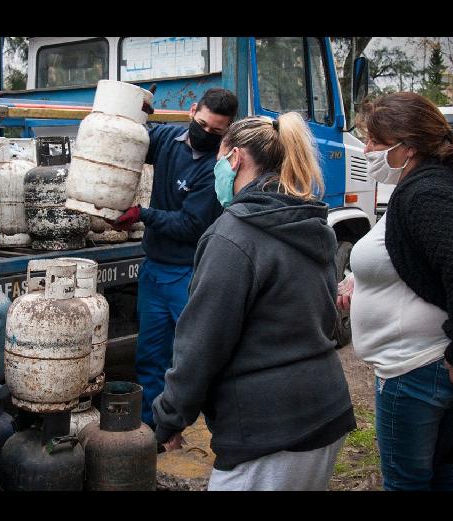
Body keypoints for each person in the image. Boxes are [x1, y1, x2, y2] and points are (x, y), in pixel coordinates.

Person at [151, 113, 356, 491]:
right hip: (327, 411)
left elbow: (201, 344)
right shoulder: (311, 221)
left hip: (269, 431)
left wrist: (168, 419)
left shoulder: (233, 236)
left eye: (218, 160)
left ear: (235, 159)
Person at [337, 92, 453, 491]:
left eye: (374, 143)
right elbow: (413, 253)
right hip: (418, 365)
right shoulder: (421, 184)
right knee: (436, 473)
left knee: (406, 482)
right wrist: (362, 279)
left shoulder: (427, 193)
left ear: (406, 147)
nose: (367, 151)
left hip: (414, 367)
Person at [111, 87, 238, 430]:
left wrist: (142, 214)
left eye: (217, 131)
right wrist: (132, 116)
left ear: (228, 130)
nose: (206, 134)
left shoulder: (217, 170)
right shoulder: (168, 138)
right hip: (154, 269)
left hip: (188, 273)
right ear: (192, 110)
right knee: (150, 353)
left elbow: (190, 224)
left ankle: (212, 424)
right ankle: (154, 427)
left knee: (194, 357)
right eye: (203, 124)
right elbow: (131, 142)